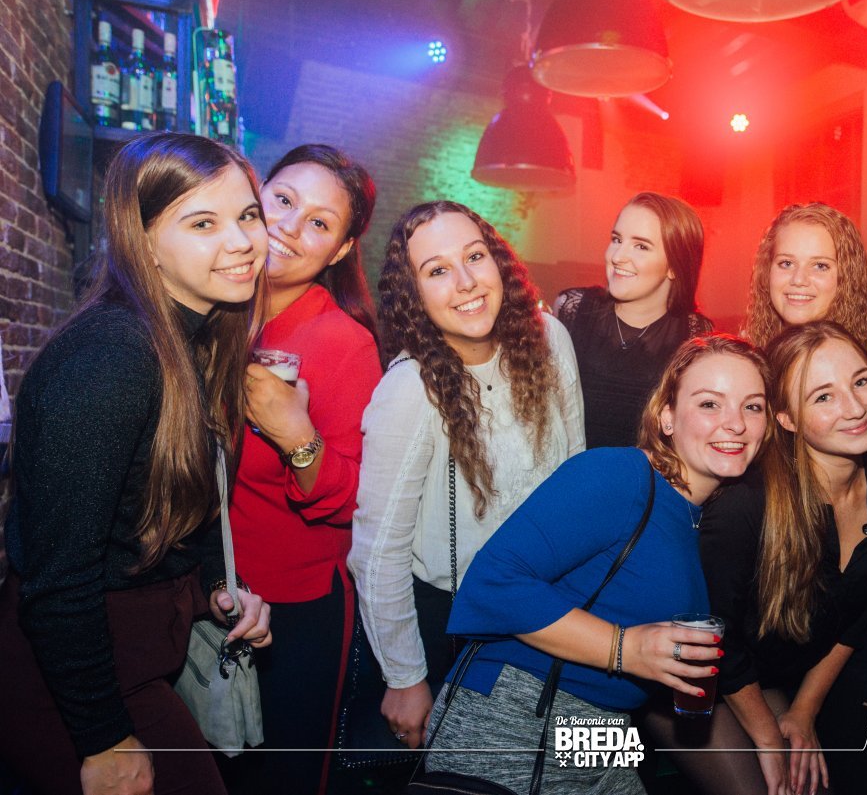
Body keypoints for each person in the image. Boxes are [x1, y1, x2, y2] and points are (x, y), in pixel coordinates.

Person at [0, 133, 273, 795]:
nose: (241, 241)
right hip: (71, 678)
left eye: (248, 215)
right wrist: (102, 737)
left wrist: (217, 586)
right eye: (203, 223)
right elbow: (57, 575)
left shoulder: (195, 338)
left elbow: (173, 505)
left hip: (138, 656)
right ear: (142, 240)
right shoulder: (112, 358)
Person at [424, 334, 772, 795]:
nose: (736, 423)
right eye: (710, 403)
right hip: (516, 719)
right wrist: (625, 648)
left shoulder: (702, 518)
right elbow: (492, 582)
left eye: (753, 407)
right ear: (666, 416)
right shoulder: (621, 476)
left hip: (605, 731)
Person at [649, 322, 867, 795]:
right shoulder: (747, 505)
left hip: (765, 680)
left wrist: (803, 711)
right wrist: (767, 734)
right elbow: (716, 636)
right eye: (823, 396)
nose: (855, 407)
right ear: (786, 418)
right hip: (693, 679)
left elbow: (856, 617)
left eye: (862, 381)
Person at [350, 200, 585, 752]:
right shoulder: (411, 390)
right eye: (437, 270)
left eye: (474, 257)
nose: (465, 282)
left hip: (549, 608)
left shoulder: (549, 338)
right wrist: (405, 678)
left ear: (498, 262)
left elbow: (575, 475)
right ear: (414, 295)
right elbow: (378, 552)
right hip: (454, 625)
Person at [228, 144, 381, 794]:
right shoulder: (214, 308)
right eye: (284, 200)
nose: (289, 226)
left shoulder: (344, 342)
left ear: (340, 249)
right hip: (203, 593)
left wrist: (297, 436)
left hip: (291, 615)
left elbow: (353, 499)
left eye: (319, 222)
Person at [555, 191, 713, 448]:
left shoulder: (695, 336)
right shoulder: (573, 309)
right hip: (570, 470)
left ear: (674, 266)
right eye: (616, 239)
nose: (617, 256)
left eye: (641, 246)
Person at [743, 202, 867, 355]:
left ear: (848, 277)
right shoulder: (748, 358)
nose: (798, 279)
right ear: (767, 271)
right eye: (786, 263)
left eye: (820, 266)